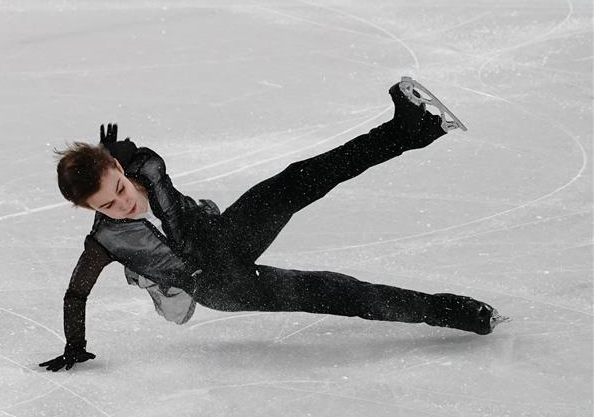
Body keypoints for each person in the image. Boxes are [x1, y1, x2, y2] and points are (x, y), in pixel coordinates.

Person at [39, 78, 507, 372]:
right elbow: (75, 293)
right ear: (89, 208)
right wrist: (74, 346)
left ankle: (412, 130)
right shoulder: (104, 241)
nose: (123, 203)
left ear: (118, 171)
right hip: (223, 284)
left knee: (301, 178)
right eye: (109, 203)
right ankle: (461, 313)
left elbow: (128, 160)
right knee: (340, 292)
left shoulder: (140, 165)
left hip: (226, 234)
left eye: (119, 187)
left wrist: (117, 156)